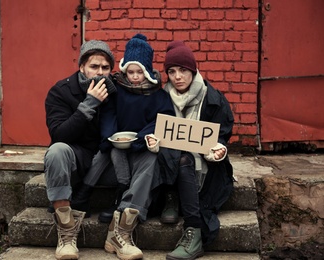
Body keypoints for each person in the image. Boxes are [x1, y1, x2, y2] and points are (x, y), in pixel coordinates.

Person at [74, 34, 175, 260]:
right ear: (124, 71)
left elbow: (161, 120)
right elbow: (108, 115)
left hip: (140, 148)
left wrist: (142, 138)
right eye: (130, 72)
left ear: (148, 70)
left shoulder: (158, 95)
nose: (135, 77)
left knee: (151, 160)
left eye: (140, 71)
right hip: (118, 149)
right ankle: (84, 195)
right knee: (104, 151)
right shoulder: (117, 90)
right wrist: (110, 137)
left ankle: (122, 223)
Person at [152, 41, 234, 260]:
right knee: (179, 157)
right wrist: (153, 141)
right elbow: (153, 129)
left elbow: (221, 136)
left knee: (185, 159)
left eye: (183, 70)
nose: (177, 76)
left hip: (205, 167)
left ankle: (194, 232)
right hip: (168, 164)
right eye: (171, 71)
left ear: (193, 70)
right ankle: (171, 197)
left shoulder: (213, 99)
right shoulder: (160, 99)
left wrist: (218, 150)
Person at [44, 40, 116, 260]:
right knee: (56, 151)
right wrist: (90, 103)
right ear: (82, 66)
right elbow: (59, 135)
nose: (100, 73)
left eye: (105, 68)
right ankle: (66, 232)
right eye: (94, 66)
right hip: (76, 158)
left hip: (109, 161)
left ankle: (121, 232)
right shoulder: (61, 91)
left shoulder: (117, 90)